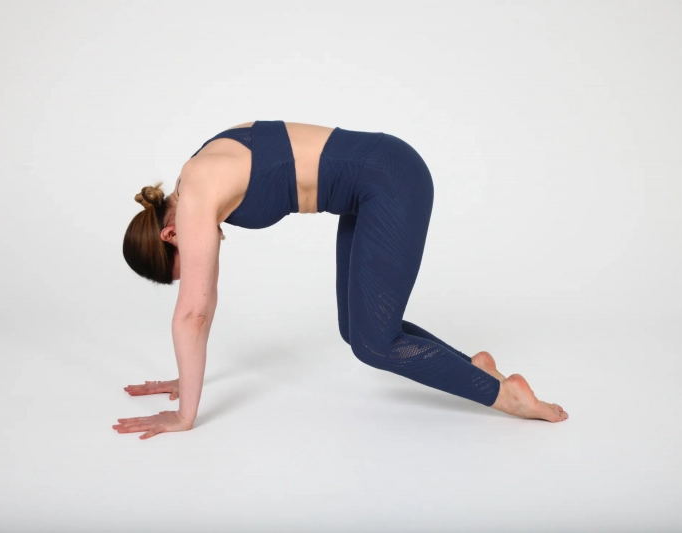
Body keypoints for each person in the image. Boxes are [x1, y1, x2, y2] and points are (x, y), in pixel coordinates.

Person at [115, 120, 567, 440]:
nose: (199, 258)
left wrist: (184, 417)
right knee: (357, 329)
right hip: (371, 186)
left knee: (373, 344)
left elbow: (193, 313)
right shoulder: (197, 170)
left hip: (390, 182)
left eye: (183, 263)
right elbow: (205, 303)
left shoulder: (196, 193)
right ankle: (474, 367)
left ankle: (507, 395)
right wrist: (187, 378)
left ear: (170, 235)